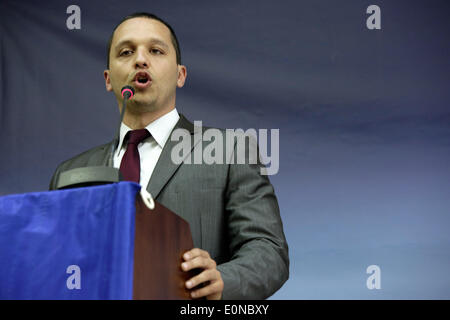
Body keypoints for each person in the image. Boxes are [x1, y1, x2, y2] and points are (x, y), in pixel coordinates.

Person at [49, 12, 289, 300]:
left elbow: (268, 249)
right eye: (126, 52)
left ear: (180, 75)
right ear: (108, 79)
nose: (140, 59)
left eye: (155, 50)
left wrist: (221, 281)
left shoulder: (230, 150)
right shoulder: (70, 173)